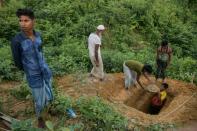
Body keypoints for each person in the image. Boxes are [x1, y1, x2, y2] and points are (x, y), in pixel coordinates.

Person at [11, 8, 53, 128]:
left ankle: (48, 109)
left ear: (33, 21)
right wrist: (29, 70)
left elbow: (41, 51)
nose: (22, 23)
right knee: (39, 99)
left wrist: (43, 65)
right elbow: (17, 61)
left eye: (26, 20)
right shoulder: (17, 41)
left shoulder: (38, 35)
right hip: (33, 74)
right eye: (20, 20)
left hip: (45, 70)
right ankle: (40, 119)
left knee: (49, 93)